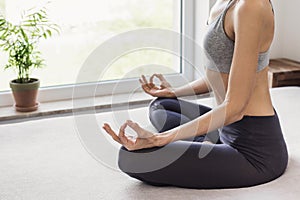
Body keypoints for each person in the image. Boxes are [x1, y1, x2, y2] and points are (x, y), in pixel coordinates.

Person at [102, 0, 288, 189]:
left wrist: (160, 138)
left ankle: (204, 145)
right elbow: (218, 77)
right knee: (162, 105)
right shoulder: (223, 3)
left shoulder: (251, 7)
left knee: (130, 157)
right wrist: (173, 92)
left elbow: (235, 108)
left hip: (253, 150)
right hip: (224, 126)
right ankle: (205, 144)